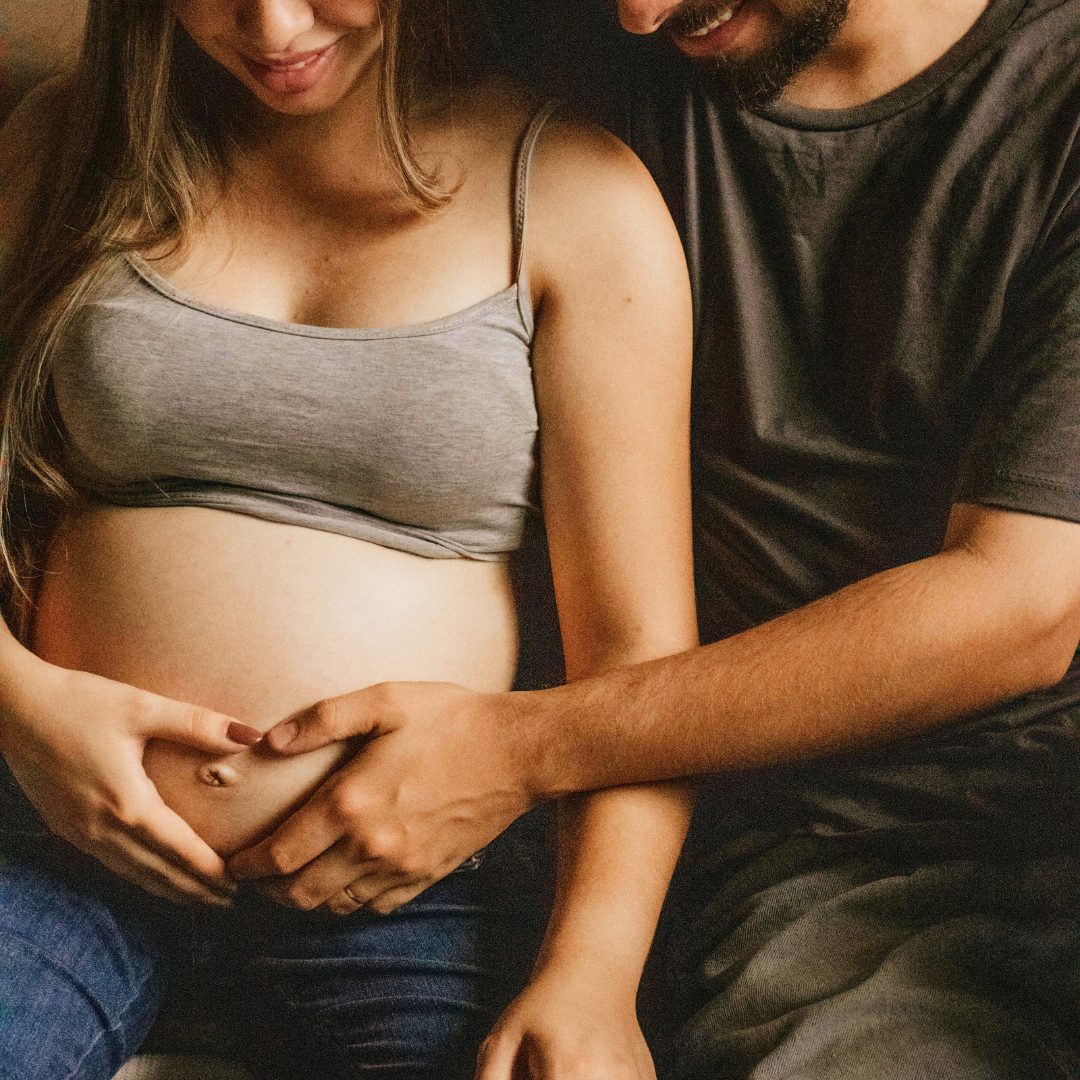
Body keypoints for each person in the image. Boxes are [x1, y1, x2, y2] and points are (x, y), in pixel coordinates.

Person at [226, 0, 1080, 1077]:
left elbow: (1021, 607)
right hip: (819, 846)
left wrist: (518, 745)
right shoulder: (562, 50)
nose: (638, 13)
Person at [0, 1, 700, 1077]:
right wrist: (22, 705)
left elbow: (638, 658)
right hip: (62, 841)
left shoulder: (575, 198)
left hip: (412, 885)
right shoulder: (65, 146)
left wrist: (592, 976)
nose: (275, 26)